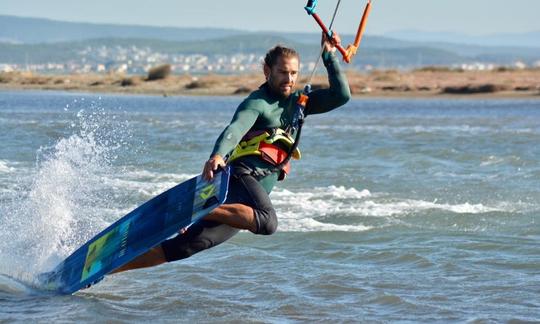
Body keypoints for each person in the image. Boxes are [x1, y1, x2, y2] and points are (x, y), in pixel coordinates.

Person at [113, 33, 351, 273]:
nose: (288, 79)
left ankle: (108, 270)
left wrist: (329, 55)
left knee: (185, 247)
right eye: (282, 72)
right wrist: (217, 155)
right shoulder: (258, 102)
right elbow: (235, 129)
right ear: (267, 71)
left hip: (242, 203)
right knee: (267, 223)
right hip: (242, 176)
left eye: (294, 73)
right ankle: (195, 208)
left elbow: (342, 95)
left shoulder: (300, 103)